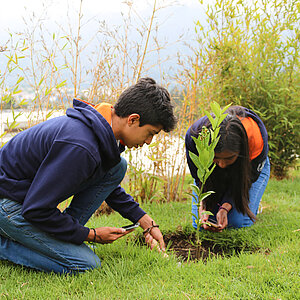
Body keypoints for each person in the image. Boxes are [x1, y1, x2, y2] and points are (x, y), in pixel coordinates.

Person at [0, 77, 177, 274]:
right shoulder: (81, 146)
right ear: (133, 119)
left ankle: (61, 239)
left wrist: (143, 219)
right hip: (7, 203)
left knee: (117, 167)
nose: (149, 141)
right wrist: (91, 235)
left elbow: (103, 181)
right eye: (150, 133)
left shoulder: (100, 132)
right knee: (85, 264)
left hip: (25, 200)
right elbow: (36, 209)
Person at [185, 105, 270, 232]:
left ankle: (254, 203)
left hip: (248, 168)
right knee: (200, 224)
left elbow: (247, 176)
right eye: (217, 158)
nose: (222, 164)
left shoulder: (255, 138)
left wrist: (225, 207)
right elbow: (199, 176)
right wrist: (203, 206)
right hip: (212, 171)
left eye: (228, 158)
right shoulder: (195, 137)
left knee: (237, 223)